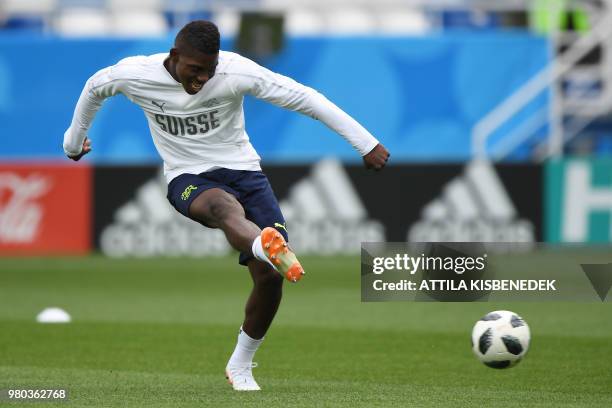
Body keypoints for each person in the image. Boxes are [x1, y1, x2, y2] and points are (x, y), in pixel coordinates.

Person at [63, 20, 389, 391]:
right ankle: (262, 245)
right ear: (174, 57)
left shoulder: (235, 71)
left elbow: (305, 98)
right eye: (194, 69)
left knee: (269, 279)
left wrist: (365, 142)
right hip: (187, 177)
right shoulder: (136, 74)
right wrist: (74, 142)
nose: (202, 78)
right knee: (221, 207)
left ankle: (241, 364)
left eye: (209, 69)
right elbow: (94, 88)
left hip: (245, 172)